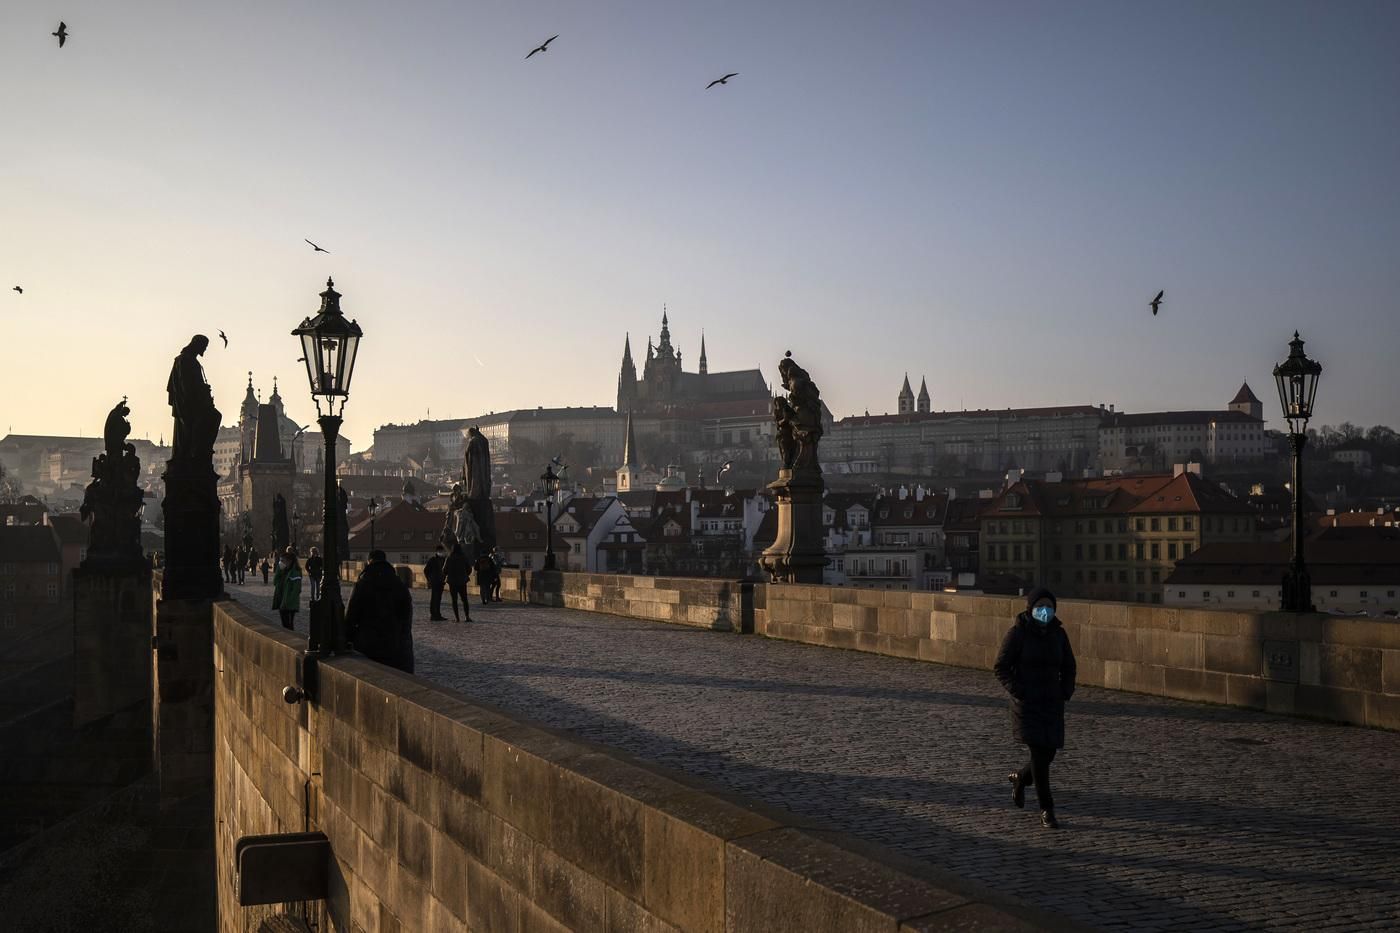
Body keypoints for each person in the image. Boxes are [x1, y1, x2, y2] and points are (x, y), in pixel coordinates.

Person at [994, 587, 1077, 829]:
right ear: (1030, 609)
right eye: (1040, 607)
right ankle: (1046, 809)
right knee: (1040, 756)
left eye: (1049, 607)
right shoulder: (1017, 634)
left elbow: (1069, 666)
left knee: (1048, 753)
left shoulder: (1059, 635)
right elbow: (1001, 667)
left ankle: (1020, 778)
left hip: (1051, 702)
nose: (1045, 611)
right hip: (1028, 704)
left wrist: (1065, 691)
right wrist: (1020, 692)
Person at [345, 550, 415, 673]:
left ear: (369, 561)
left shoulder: (362, 583)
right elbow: (406, 617)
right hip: (394, 644)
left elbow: (350, 616)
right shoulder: (399, 584)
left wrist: (348, 640)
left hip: (368, 645)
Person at [271, 547, 304, 630]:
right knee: (285, 623)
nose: (281, 563)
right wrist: (279, 570)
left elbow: (296, 590)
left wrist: (288, 601)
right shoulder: (283, 571)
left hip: (289, 603)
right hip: (282, 600)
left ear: (289, 561)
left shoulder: (295, 572)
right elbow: (275, 582)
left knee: (288, 624)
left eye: (282, 561)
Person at [444, 542, 472, 623]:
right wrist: (465, 575)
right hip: (462, 581)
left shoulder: (449, 558)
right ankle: (467, 617)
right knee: (464, 599)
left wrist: (449, 574)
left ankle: (457, 618)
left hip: (452, 582)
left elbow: (444, 570)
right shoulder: (464, 557)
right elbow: (469, 569)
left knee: (454, 600)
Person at [424, 544, 447, 621]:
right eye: (440, 551)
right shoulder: (433, 560)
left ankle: (438, 614)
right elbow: (426, 570)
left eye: (442, 551)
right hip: (434, 582)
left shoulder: (444, 560)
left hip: (441, 582)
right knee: (434, 598)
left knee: (438, 598)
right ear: (437, 552)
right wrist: (429, 579)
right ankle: (433, 615)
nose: (442, 552)